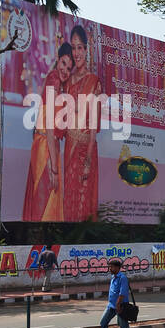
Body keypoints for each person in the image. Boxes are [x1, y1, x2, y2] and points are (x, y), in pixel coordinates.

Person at [22, 42, 71, 222]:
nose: (65, 70)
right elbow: (50, 127)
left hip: (46, 145)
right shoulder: (54, 81)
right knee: (45, 201)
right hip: (45, 146)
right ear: (58, 60)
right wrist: (53, 168)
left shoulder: (57, 82)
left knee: (43, 200)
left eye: (69, 67)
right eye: (64, 63)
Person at [62, 24, 104, 222]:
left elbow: (94, 124)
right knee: (69, 201)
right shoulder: (68, 81)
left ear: (86, 50)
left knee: (84, 202)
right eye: (73, 47)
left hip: (86, 148)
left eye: (80, 48)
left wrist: (87, 161)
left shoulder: (94, 81)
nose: (76, 53)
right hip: (70, 147)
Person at [95, 258, 133, 328]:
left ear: (117, 267)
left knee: (123, 325)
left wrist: (118, 304)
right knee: (103, 322)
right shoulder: (113, 277)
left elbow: (123, 293)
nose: (109, 269)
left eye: (111, 267)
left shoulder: (122, 278)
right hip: (111, 305)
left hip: (120, 305)